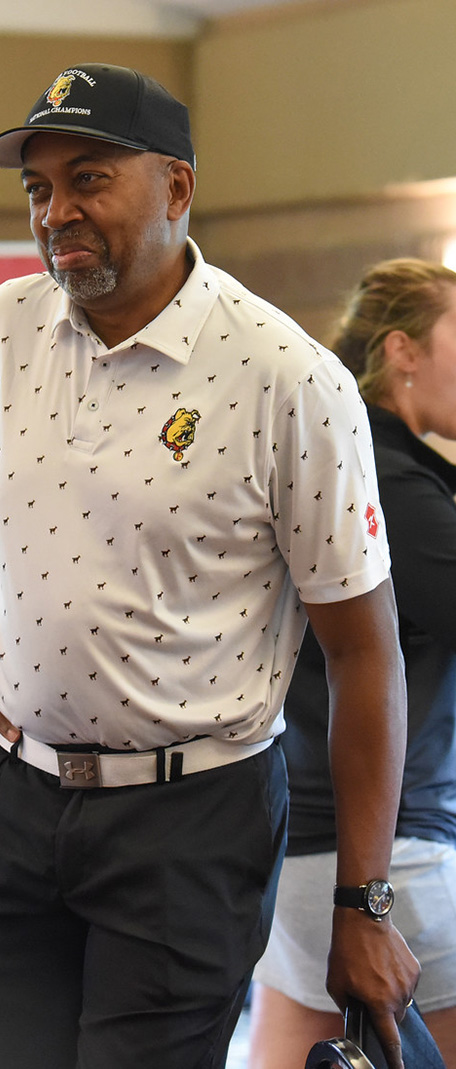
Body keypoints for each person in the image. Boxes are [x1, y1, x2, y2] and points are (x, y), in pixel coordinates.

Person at [0, 62, 420, 1068]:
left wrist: (363, 900)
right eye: (38, 188)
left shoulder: (285, 376)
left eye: (88, 179)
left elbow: (363, 651)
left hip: (189, 820)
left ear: (177, 188)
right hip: (6, 797)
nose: (55, 212)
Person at [249, 259, 456, 1067]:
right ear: (404, 351)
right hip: (386, 850)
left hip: (303, 840)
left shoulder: (347, 456)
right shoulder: (391, 480)